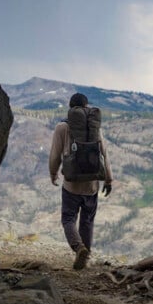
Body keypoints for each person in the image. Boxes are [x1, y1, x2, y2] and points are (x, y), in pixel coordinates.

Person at [49, 93, 113, 270]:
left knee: (68, 219)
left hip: (71, 185)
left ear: (71, 108)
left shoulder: (62, 127)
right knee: (87, 221)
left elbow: (55, 155)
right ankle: (85, 257)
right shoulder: (95, 128)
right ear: (86, 107)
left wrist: (53, 173)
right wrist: (109, 180)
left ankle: (79, 248)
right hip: (92, 185)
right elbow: (104, 155)